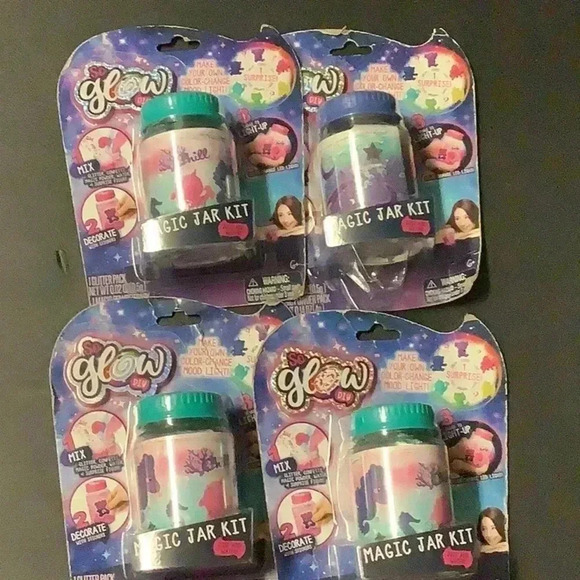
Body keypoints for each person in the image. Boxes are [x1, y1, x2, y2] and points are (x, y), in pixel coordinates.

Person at [474, 507, 509, 580]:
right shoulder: (481, 554)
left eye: (493, 528)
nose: (488, 534)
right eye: (484, 529)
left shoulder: (511, 553)